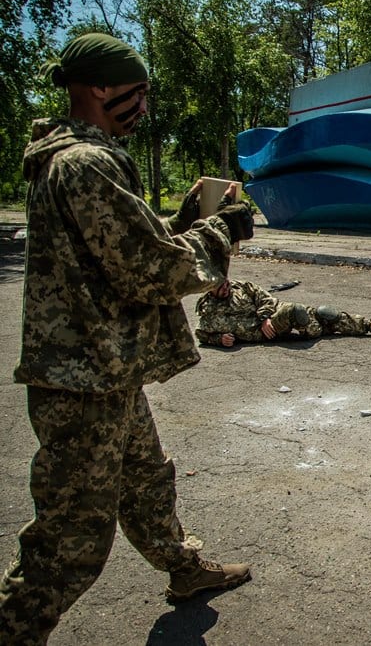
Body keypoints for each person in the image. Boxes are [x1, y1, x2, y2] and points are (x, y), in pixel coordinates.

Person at [0, 33, 257, 643]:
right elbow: (151, 271)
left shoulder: (77, 160)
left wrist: (187, 221)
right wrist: (221, 232)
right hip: (84, 381)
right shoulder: (86, 164)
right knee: (68, 546)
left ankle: (183, 569)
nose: (143, 105)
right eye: (135, 93)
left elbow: (118, 248)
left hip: (103, 371)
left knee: (145, 479)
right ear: (99, 87)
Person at [195, 278, 371, 346]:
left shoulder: (241, 287)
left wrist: (265, 317)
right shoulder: (207, 309)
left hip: (271, 317)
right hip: (260, 333)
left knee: (323, 312)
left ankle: (368, 325)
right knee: (296, 311)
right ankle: (316, 330)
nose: (226, 288)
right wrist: (219, 340)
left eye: (226, 283)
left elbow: (265, 299)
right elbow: (201, 334)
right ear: (209, 289)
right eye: (221, 287)